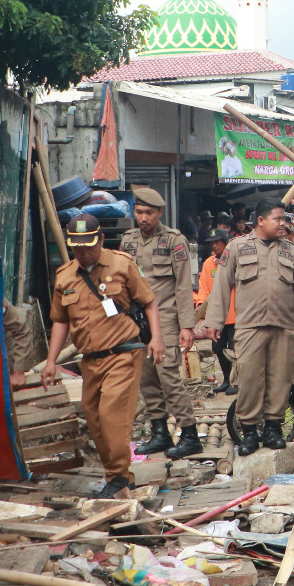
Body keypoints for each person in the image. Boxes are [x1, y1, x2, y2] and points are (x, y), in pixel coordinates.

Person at [42, 214, 162, 499]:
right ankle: (117, 478)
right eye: (77, 248)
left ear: (101, 240)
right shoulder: (65, 277)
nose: (84, 253)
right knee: (95, 420)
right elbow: (60, 321)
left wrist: (157, 339)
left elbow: (149, 301)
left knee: (112, 418)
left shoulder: (122, 264)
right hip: (89, 361)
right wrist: (50, 361)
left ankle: (120, 477)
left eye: (89, 246)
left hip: (124, 353)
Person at [200, 197, 294, 456]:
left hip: (284, 327)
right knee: (249, 378)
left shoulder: (290, 251)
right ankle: (250, 431)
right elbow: (221, 286)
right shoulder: (237, 247)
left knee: (280, 378)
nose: (283, 223)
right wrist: (214, 322)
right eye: (278, 218)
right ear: (261, 221)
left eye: (285, 219)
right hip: (249, 327)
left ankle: (273, 428)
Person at [118, 187, 201, 459]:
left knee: (169, 378)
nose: (143, 218)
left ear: (160, 213)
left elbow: (182, 285)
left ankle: (189, 434)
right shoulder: (128, 240)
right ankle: (160, 433)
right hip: (136, 320)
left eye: (149, 213)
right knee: (146, 378)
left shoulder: (174, 240)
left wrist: (186, 326)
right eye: (139, 212)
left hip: (166, 319)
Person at [195, 227, 236, 395]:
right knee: (218, 348)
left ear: (225, 243)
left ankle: (237, 382)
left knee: (235, 350)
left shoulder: (235, 261)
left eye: (217, 242)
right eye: (212, 243)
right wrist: (199, 305)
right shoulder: (208, 263)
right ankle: (226, 380)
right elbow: (204, 287)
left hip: (235, 314)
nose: (214, 246)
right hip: (217, 316)